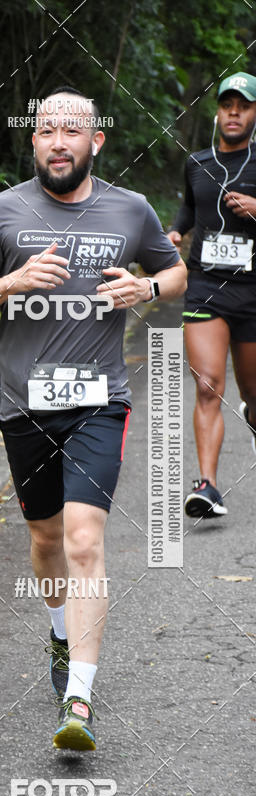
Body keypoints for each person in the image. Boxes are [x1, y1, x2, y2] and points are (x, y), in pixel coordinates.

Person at [0, 87, 186, 751]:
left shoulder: (130, 210)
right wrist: (9, 283)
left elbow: (179, 278)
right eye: (46, 131)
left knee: (85, 540)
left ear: (95, 141)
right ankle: (60, 631)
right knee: (48, 540)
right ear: (33, 142)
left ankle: (78, 696)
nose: (58, 142)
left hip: (99, 401)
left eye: (71, 131)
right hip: (26, 406)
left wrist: (147, 287)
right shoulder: (2, 211)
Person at [168, 72, 256, 519]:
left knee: (254, 393)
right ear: (218, 111)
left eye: (243, 105)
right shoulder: (197, 162)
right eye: (227, 105)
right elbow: (189, 206)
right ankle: (207, 486)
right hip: (205, 286)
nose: (234, 112)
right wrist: (175, 231)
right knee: (207, 386)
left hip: (254, 292)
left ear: (255, 112)